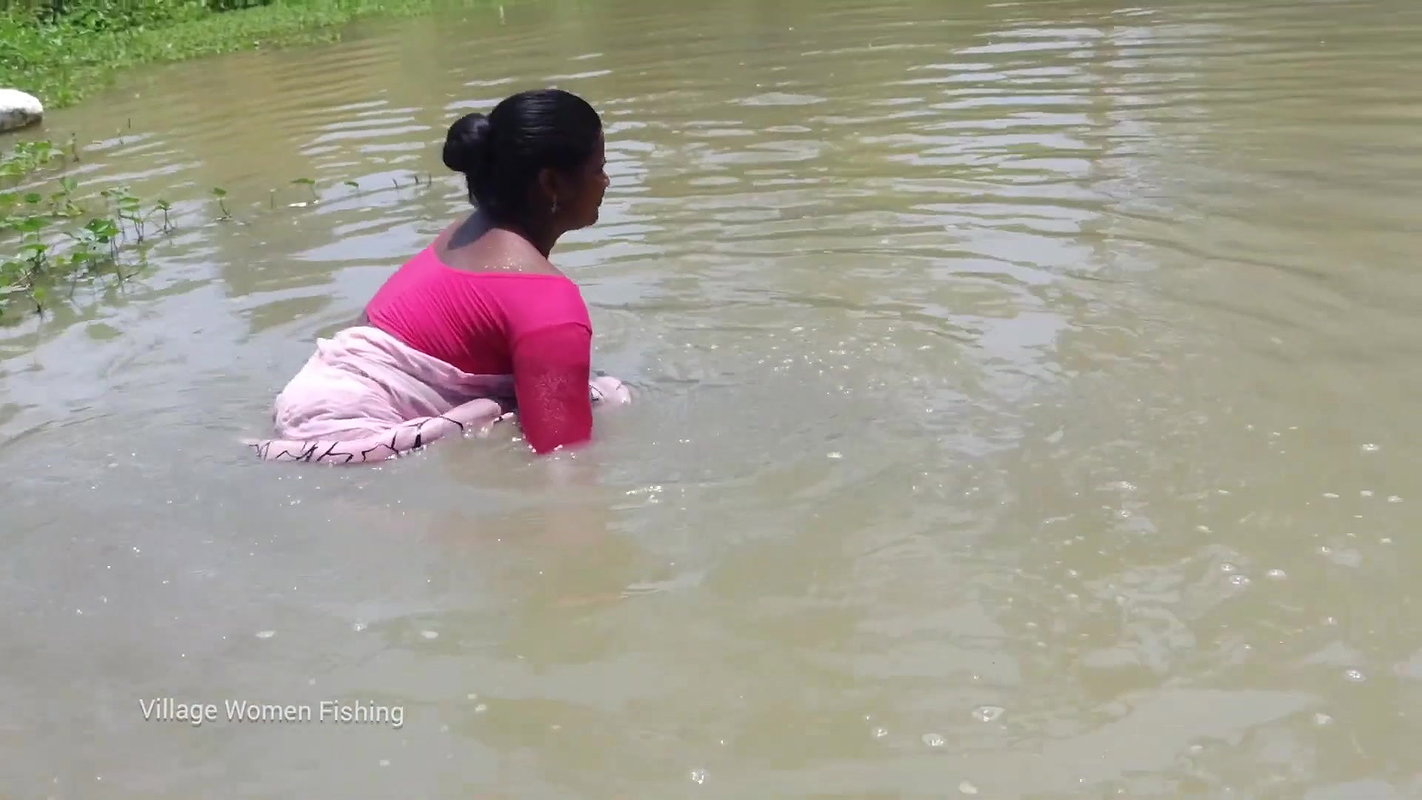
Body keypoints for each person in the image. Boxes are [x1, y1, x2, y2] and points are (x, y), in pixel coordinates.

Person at [246, 88, 631, 465]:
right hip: (356, 443)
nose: (606, 182)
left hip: (304, 398)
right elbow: (563, 459)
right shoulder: (549, 305)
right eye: (598, 169)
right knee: (610, 395)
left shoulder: (462, 233)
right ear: (552, 184)